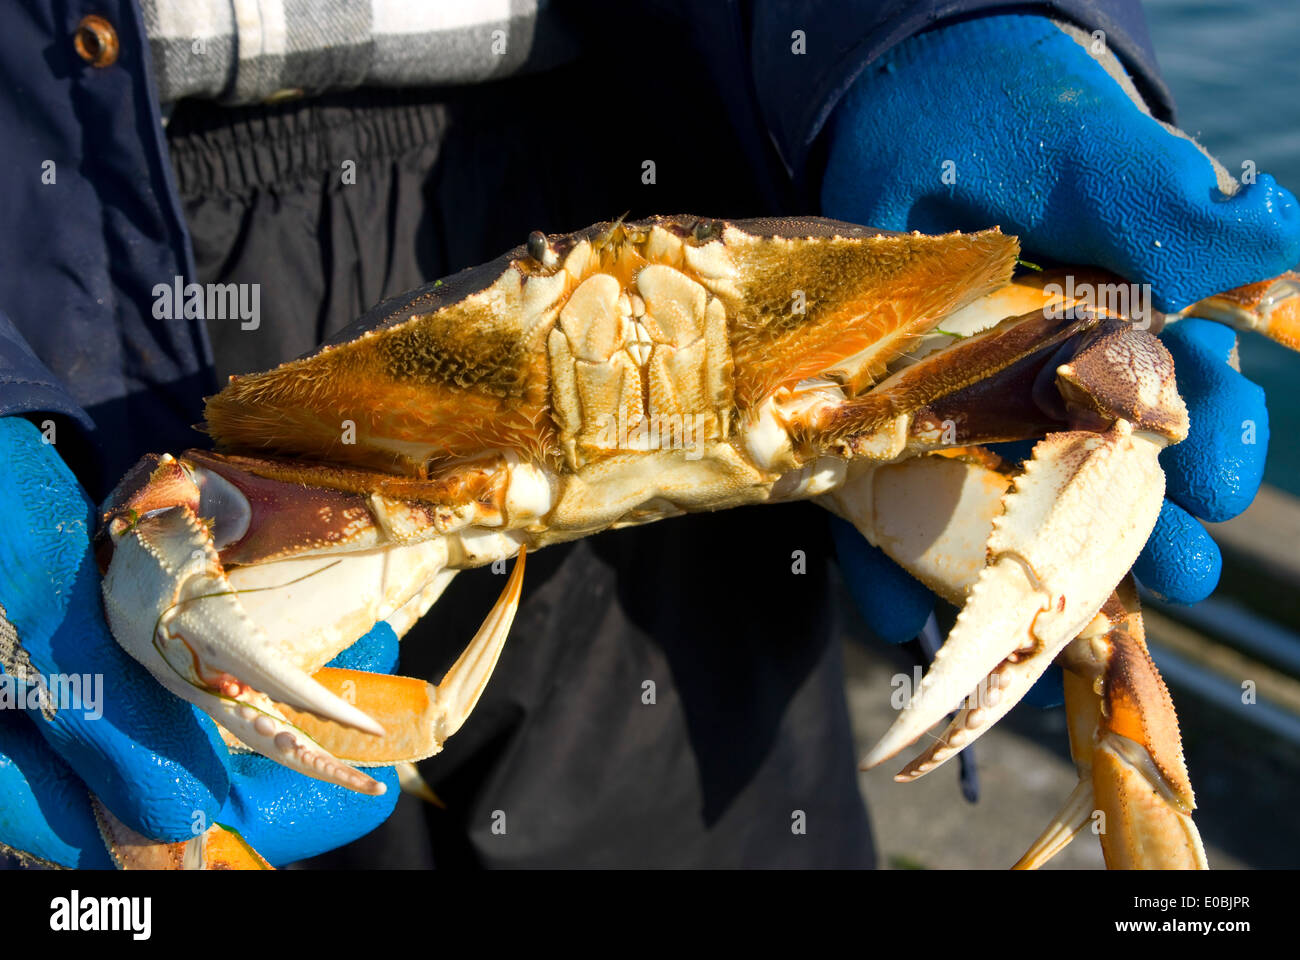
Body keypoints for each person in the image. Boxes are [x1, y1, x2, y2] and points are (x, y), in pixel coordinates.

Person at [0, 1, 1294, 869]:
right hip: (199, 330)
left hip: (640, 149)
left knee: (1099, 615)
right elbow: (177, 525)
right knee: (136, 768)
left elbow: (1118, 366)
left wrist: (914, 18)